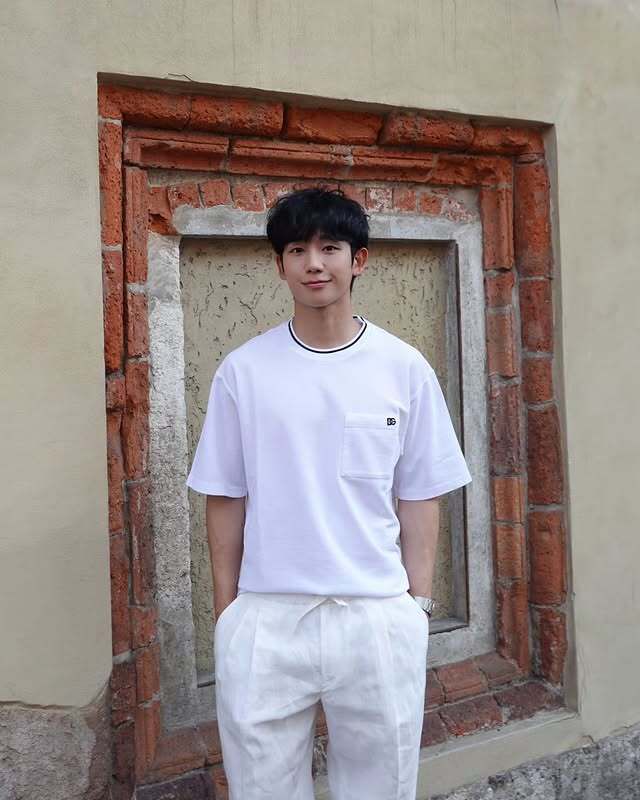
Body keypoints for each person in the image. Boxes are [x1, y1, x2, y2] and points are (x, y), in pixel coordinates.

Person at [186, 187, 471, 799]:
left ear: (358, 259)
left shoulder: (403, 367)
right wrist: (230, 615)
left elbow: (420, 493)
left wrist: (416, 607)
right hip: (268, 615)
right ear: (280, 265)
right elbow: (225, 495)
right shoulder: (244, 371)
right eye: (297, 250)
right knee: (261, 788)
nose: (314, 263)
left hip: (375, 614)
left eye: (330, 248)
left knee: (379, 787)